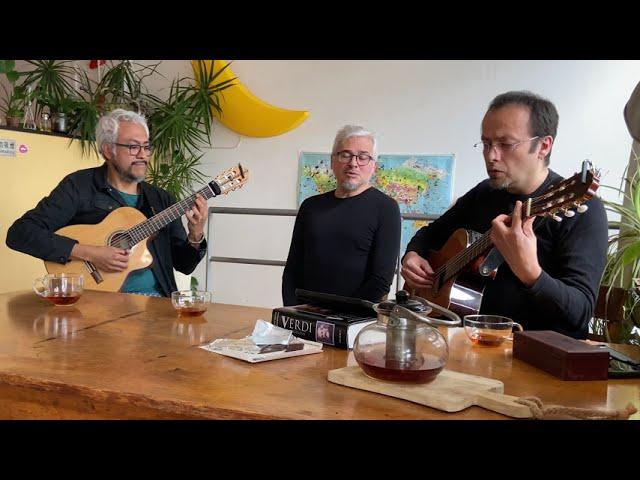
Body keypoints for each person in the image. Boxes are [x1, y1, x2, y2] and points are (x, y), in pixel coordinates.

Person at [401, 91, 608, 339]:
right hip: (465, 344)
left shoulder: (583, 211)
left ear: (544, 145)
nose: (491, 156)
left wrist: (530, 271)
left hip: (534, 359)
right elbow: (429, 235)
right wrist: (412, 255)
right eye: (486, 143)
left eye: (505, 144)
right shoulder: (484, 193)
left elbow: (580, 313)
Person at [6, 109, 208, 297]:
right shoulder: (79, 187)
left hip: (156, 305)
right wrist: (90, 253)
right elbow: (20, 233)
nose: (143, 155)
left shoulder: (161, 200)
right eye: (133, 147)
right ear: (108, 150)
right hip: (95, 305)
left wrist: (196, 233)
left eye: (146, 147)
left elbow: (185, 265)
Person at [282, 125, 401, 306]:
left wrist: (341, 316)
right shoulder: (311, 206)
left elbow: (381, 280)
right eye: (345, 154)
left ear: (373, 165)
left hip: (354, 319)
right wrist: (291, 310)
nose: (353, 163)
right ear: (332, 160)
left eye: (363, 157)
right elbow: (292, 268)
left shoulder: (386, 208)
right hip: (305, 313)